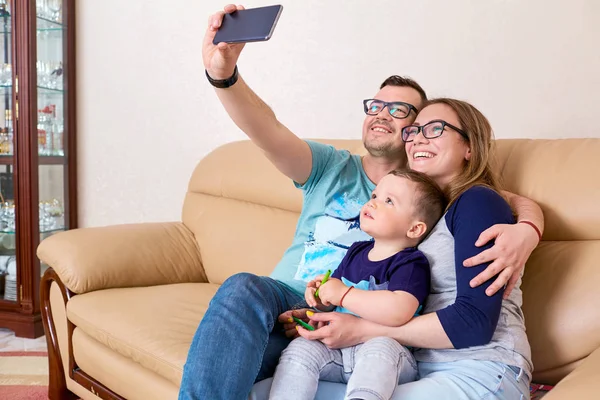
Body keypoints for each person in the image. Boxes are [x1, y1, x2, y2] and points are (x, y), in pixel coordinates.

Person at [179, 5, 544, 400]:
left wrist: (528, 227)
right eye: (376, 105)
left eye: (404, 112)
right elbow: (264, 128)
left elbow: (492, 197)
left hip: (361, 320)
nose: (384, 115)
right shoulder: (328, 166)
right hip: (293, 300)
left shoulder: (427, 197)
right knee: (242, 288)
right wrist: (223, 74)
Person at [294, 98, 533, 399]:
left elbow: (475, 323)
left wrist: (362, 329)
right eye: (414, 130)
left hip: (480, 369)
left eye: (435, 129)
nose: (418, 137)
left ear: (469, 147)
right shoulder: (417, 216)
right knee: (265, 390)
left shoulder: (478, 202)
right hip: (415, 369)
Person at [269, 169, 447, 400]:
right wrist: (321, 299)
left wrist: (342, 294)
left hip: (387, 358)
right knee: (300, 349)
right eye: (374, 196)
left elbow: (399, 311)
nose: (373, 203)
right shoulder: (356, 252)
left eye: (389, 201)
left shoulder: (411, 262)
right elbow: (332, 301)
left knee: (381, 348)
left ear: (414, 229)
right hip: (337, 351)